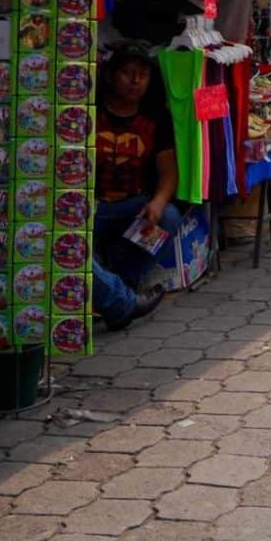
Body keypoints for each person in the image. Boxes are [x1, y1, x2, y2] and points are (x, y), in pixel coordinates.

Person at [92, 44, 175, 331]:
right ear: (112, 76)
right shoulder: (90, 113)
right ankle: (121, 301)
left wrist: (158, 202)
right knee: (72, 242)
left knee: (168, 218)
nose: (135, 81)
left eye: (143, 75)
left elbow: (168, 172)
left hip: (131, 205)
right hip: (93, 207)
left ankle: (122, 281)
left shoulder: (154, 121)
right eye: (128, 73)